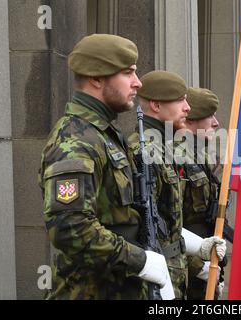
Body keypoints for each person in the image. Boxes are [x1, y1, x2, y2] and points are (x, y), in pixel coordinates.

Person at [38, 34, 173, 300]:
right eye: (128, 73)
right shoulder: (75, 139)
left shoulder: (103, 133)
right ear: (97, 78)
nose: (138, 82)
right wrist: (140, 261)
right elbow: (70, 228)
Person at [128, 71, 227, 299]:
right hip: (160, 271)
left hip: (176, 267)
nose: (187, 107)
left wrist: (200, 248)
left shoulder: (164, 148)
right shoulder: (144, 151)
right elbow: (146, 225)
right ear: (155, 105)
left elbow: (170, 222)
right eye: (180, 100)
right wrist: (195, 264)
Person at [180, 87, 226, 299]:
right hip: (188, 269)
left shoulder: (200, 154)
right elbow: (166, 226)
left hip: (208, 256)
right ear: (191, 120)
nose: (216, 123)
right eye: (210, 116)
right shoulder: (176, 156)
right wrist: (198, 267)